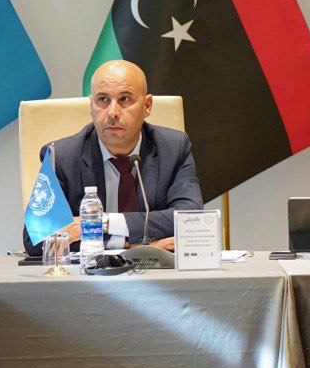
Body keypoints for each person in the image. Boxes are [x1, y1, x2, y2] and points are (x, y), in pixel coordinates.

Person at [23, 60, 203, 256]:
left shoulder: (173, 147)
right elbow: (35, 239)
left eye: (125, 99)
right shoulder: (61, 156)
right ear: (91, 106)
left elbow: (190, 218)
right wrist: (133, 247)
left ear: (147, 106)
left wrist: (101, 222)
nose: (113, 113)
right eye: (103, 100)